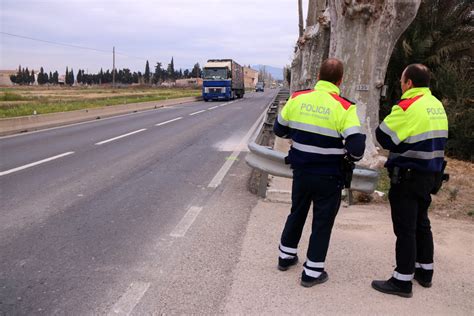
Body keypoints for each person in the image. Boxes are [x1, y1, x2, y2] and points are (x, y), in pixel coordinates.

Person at [273, 58, 366, 287]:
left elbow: (279, 129)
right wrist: (344, 155)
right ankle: (312, 272)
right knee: (322, 221)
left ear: (318, 76)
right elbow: (357, 150)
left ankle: (285, 257)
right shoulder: (345, 107)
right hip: (329, 176)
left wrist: (299, 140)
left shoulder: (297, 98)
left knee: (297, 212)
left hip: (301, 171)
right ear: (340, 80)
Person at [372, 64, 449, 298]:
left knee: (405, 228)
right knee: (421, 224)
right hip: (430, 175)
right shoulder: (436, 105)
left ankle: (402, 280)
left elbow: (382, 136)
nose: (400, 84)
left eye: (402, 80)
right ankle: (425, 273)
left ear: (409, 83)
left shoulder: (407, 106)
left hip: (407, 175)